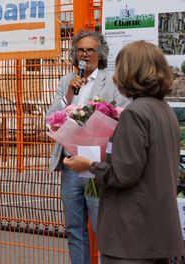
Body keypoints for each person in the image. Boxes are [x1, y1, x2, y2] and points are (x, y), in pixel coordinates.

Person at [63, 40, 185, 263]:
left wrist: (88, 165)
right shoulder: (164, 110)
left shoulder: (135, 113)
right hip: (157, 232)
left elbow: (123, 174)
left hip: (131, 234)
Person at [47, 31, 129, 264]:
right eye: (80, 50)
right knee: (74, 228)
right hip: (71, 163)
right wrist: (69, 94)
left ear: (100, 53)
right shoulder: (66, 81)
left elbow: (122, 117)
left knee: (102, 226)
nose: (85, 54)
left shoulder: (112, 82)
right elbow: (52, 117)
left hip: (96, 165)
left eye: (90, 50)